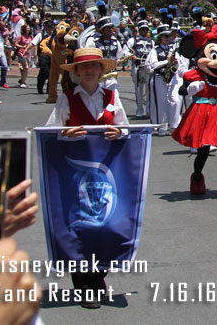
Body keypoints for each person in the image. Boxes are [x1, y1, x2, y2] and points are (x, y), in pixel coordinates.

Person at [43, 46, 128, 307]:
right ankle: (84, 285)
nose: (89, 70)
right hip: (75, 173)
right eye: (84, 66)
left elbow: (125, 128)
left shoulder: (113, 95)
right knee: (78, 226)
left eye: (94, 65)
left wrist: (120, 133)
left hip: (106, 173)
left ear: (101, 70)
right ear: (77, 72)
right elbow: (49, 131)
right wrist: (64, 134)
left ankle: (98, 273)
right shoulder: (67, 98)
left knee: (107, 224)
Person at [173, 24, 217, 200]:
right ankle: (197, 176)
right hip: (202, 112)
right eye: (214, 56)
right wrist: (191, 89)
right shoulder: (196, 74)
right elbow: (182, 90)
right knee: (203, 151)